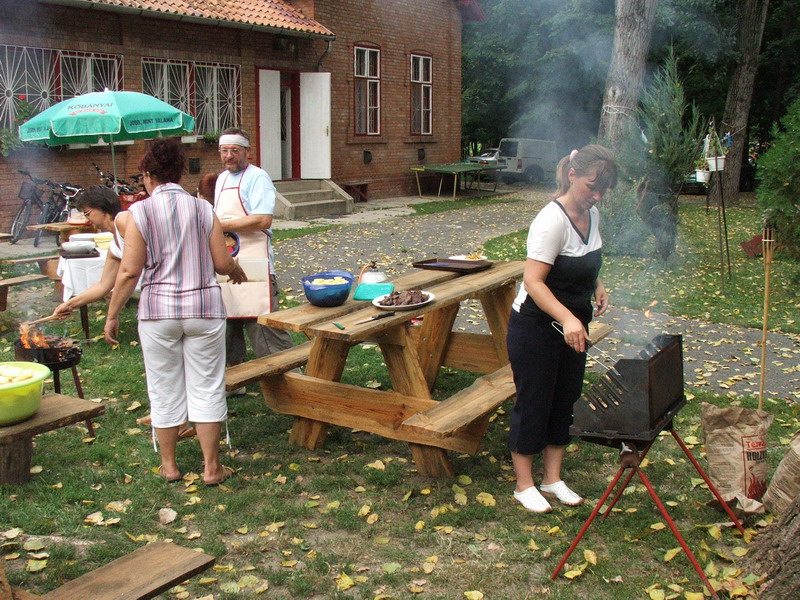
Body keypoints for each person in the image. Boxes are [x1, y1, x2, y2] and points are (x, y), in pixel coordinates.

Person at [103, 137, 247, 486]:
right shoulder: (202, 209)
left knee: (163, 387)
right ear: (181, 173)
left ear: (148, 175)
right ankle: (212, 468)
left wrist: (112, 314)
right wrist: (235, 269)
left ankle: (169, 466)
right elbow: (222, 262)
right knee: (207, 386)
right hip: (203, 310)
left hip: (158, 312)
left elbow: (129, 271)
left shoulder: (138, 213)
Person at [507, 144, 617, 513]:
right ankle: (524, 484)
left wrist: (597, 285)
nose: (596, 196)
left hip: (573, 326)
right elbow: (534, 281)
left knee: (565, 399)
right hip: (535, 327)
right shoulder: (551, 220)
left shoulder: (592, 214)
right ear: (572, 175)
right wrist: (567, 317)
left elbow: (584, 261)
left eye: (603, 190)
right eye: (591, 187)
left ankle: (552, 479)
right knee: (534, 401)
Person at [214, 127, 293, 386]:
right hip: (228, 260)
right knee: (228, 325)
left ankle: (286, 379)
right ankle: (235, 381)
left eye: (234, 151)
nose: (229, 156)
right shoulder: (221, 179)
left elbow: (262, 219)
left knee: (263, 326)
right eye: (224, 151)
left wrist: (219, 226)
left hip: (256, 263)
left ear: (247, 151)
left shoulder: (257, 177)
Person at [52, 185, 127, 316]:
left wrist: (112, 316)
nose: (87, 219)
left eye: (88, 213)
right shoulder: (114, 246)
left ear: (102, 208)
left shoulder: (123, 220)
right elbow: (103, 285)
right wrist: (69, 304)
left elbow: (129, 273)